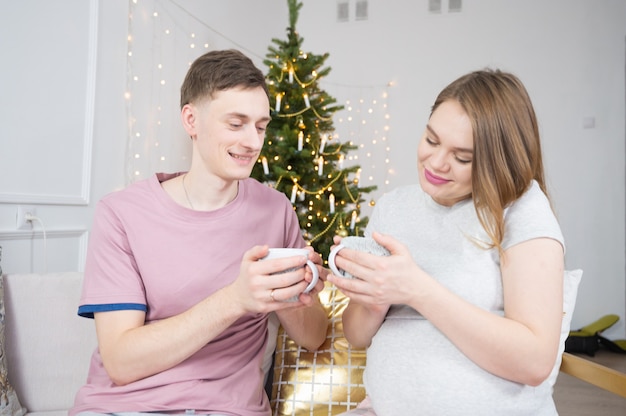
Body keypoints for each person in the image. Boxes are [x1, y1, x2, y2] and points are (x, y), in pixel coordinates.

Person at [71, 49, 328, 416]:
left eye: (260, 126)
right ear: (191, 120)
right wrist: (236, 299)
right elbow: (121, 363)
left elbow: (313, 336)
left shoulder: (275, 209)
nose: (254, 143)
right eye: (236, 124)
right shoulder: (121, 213)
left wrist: (291, 293)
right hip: (124, 408)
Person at [329, 69, 565, 415]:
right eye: (431, 140)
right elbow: (357, 335)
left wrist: (416, 289)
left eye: (462, 157)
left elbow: (533, 362)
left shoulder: (520, 208)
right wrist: (375, 299)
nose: (436, 163)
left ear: (499, 159)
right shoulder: (394, 207)